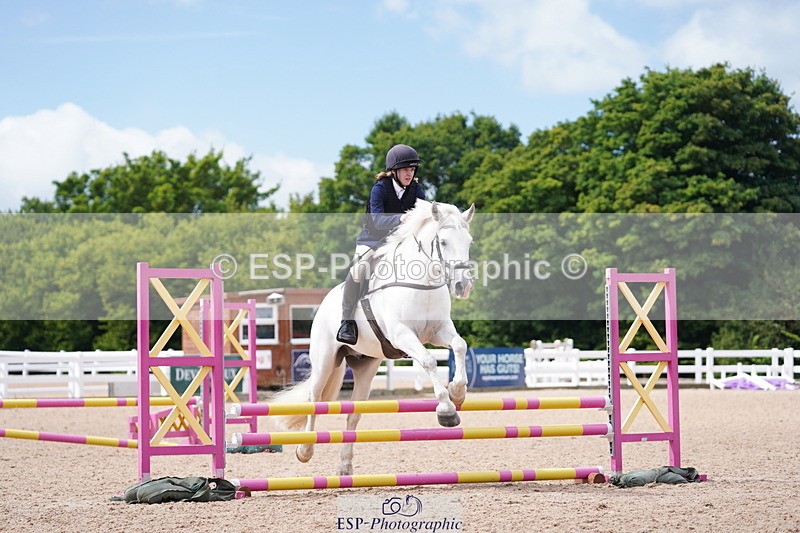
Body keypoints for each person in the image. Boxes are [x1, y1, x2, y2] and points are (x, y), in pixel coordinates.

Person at [336, 144, 426, 345]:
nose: (409, 174)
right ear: (394, 171)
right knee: (358, 270)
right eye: (405, 170)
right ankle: (346, 322)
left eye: (412, 170)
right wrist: (402, 219)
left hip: (401, 242)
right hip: (372, 240)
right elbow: (377, 220)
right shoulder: (380, 189)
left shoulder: (417, 190)